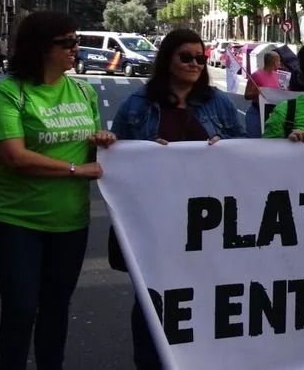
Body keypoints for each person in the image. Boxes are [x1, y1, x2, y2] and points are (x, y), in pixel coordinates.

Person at [110, 28, 245, 369]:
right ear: (167, 59)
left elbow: (246, 150)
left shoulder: (218, 103)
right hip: (155, 223)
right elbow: (116, 154)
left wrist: (227, 149)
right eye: (186, 57)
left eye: (200, 58)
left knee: (204, 297)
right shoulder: (138, 104)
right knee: (152, 300)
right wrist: (112, 144)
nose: (196, 64)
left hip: (209, 222)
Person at [0, 10, 115, 370]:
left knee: (55, 308)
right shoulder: (8, 92)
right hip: (16, 221)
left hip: (70, 222)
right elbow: (14, 156)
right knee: (19, 308)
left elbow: (93, 150)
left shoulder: (82, 90)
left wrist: (105, 141)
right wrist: (75, 169)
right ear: (41, 47)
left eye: (75, 41)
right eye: (67, 42)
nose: (76, 48)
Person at [244, 51, 282, 138]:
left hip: (270, 113)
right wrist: (256, 94)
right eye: (278, 60)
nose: (279, 63)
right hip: (256, 112)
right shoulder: (256, 75)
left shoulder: (276, 75)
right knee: (255, 139)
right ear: (272, 61)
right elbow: (246, 95)